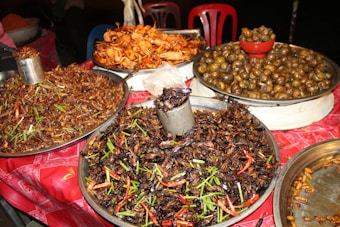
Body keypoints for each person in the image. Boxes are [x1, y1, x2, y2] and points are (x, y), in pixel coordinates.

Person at [50, 0, 87, 66]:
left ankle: (81, 60)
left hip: (73, 10)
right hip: (68, 12)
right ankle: (80, 59)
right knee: (75, 37)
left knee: (77, 37)